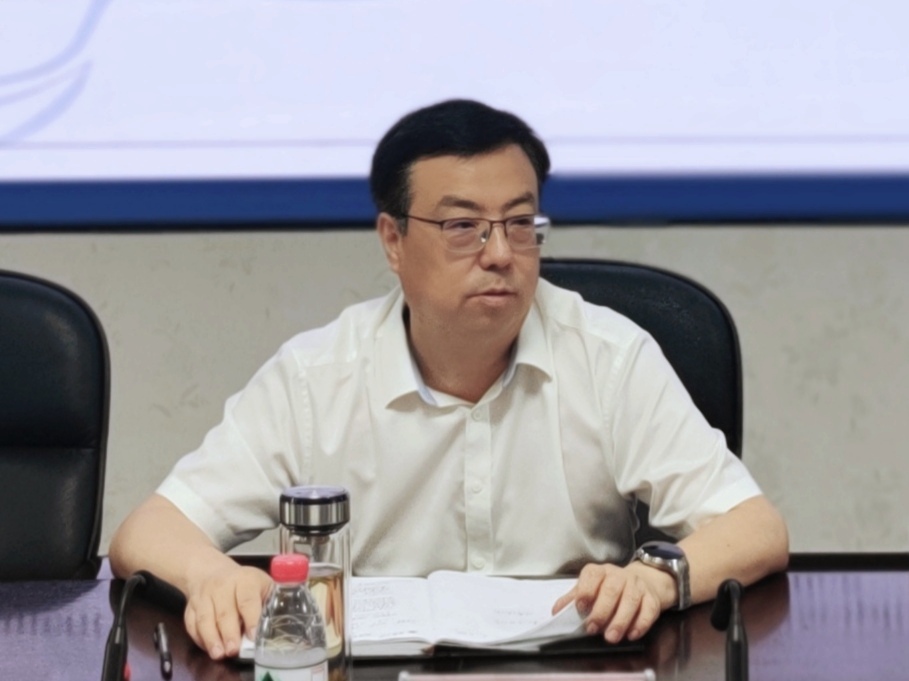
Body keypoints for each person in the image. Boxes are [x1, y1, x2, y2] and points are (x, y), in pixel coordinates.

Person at [109, 99, 788, 660]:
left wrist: (657, 577)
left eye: (520, 223)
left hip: (573, 666)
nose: (500, 254)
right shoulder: (317, 377)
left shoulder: (608, 355)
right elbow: (147, 531)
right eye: (464, 227)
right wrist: (213, 575)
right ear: (393, 240)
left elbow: (755, 528)